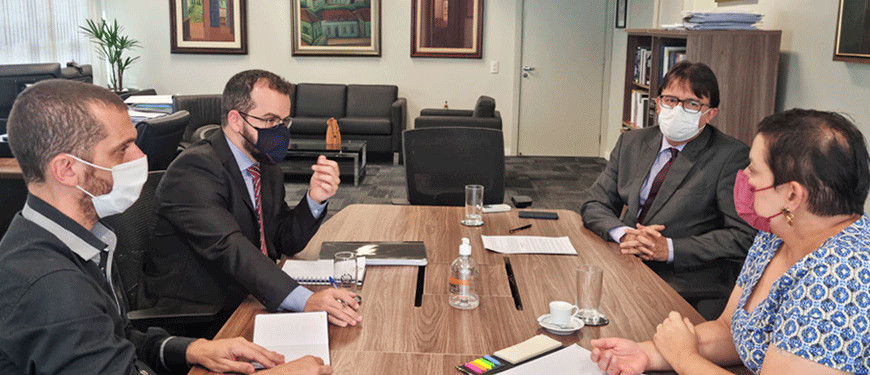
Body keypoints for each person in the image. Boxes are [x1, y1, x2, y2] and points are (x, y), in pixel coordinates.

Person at [0, 79, 331, 374]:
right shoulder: (51, 285)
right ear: (67, 170)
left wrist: (194, 349)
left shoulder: (81, 241)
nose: (140, 156)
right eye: (122, 148)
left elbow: (120, 339)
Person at [590, 109, 870, 374]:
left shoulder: (839, 279)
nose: (744, 176)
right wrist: (647, 353)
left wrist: (683, 357)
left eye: (754, 169)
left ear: (792, 196)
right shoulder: (776, 235)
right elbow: (730, 330)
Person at [140, 70, 362, 333]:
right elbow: (230, 248)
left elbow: (282, 240)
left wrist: (315, 199)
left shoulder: (264, 164)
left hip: (251, 295)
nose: (280, 131)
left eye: (284, 121)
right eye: (269, 120)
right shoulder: (194, 169)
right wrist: (306, 300)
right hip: (199, 315)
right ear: (235, 120)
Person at [580, 61, 755, 317]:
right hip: (626, 256)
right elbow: (594, 204)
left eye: (692, 104)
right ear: (658, 103)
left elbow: (743, 236)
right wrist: (625, 234)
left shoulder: (731, 157)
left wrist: (670, 248)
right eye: (671, 100)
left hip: (685, 277)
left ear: (710, 113)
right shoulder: (632, 142)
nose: (678, 109)